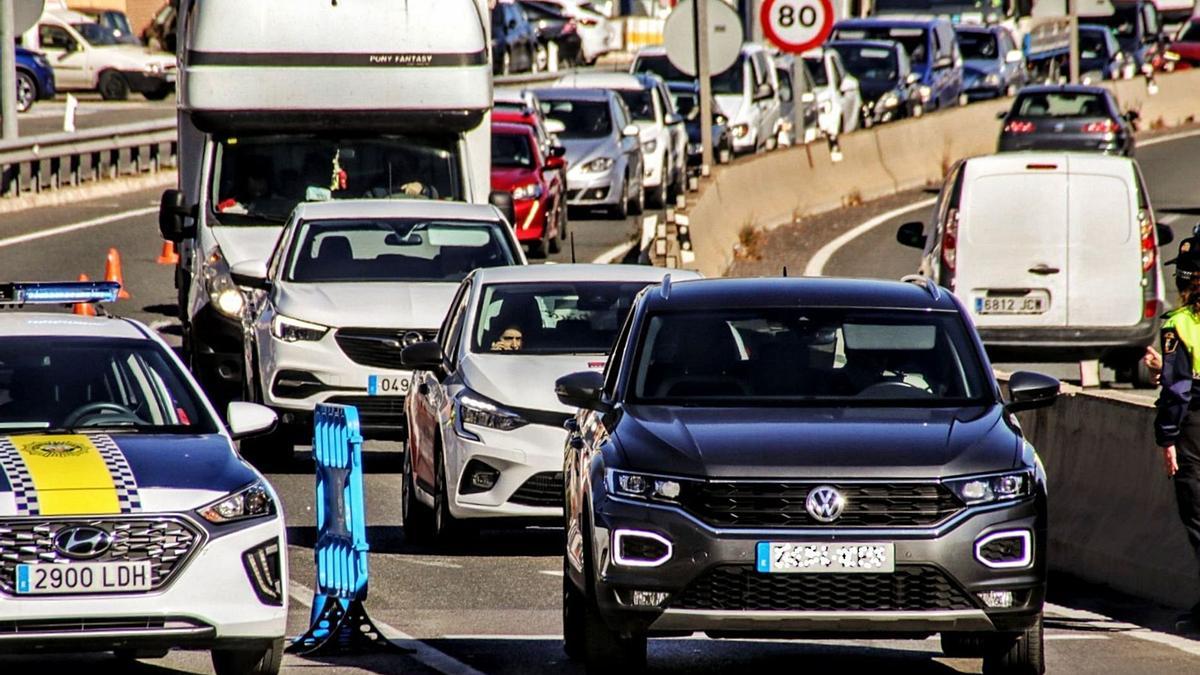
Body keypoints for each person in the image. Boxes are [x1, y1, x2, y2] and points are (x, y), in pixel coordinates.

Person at [1154, 235, 1200, 630]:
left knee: (1198, 518)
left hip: (1195, 428)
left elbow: (1179, 388)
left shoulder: (1178, 324)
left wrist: (1167, 437)